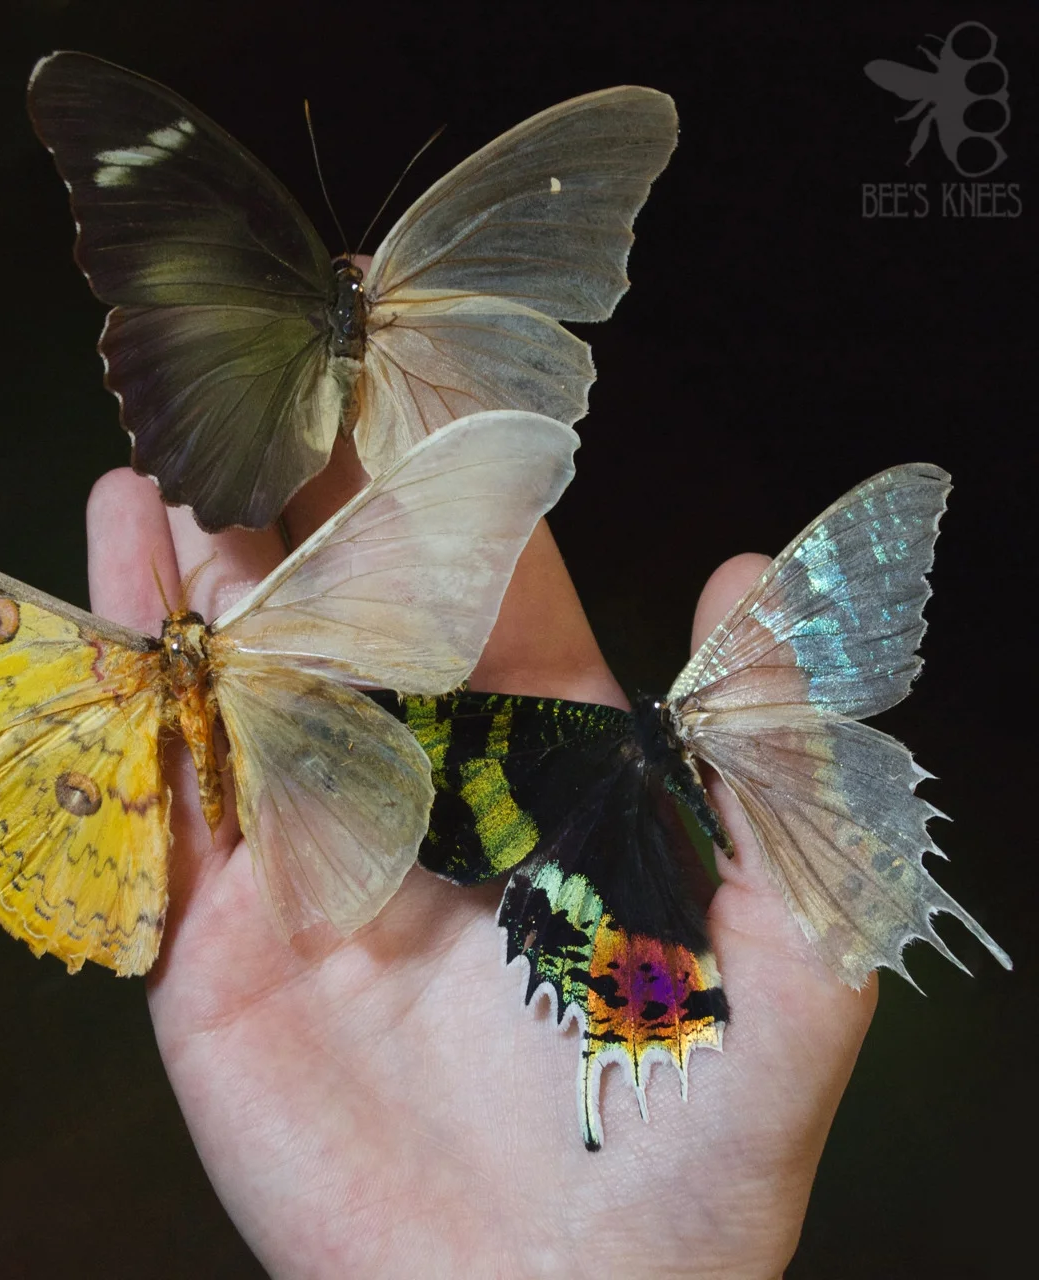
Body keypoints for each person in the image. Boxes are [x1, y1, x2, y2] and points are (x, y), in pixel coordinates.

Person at [85, 436, 875, 1277]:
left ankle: (642, 1007)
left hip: (579, 885)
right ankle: (639, 1006)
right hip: (583, 883)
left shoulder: (578, 739)